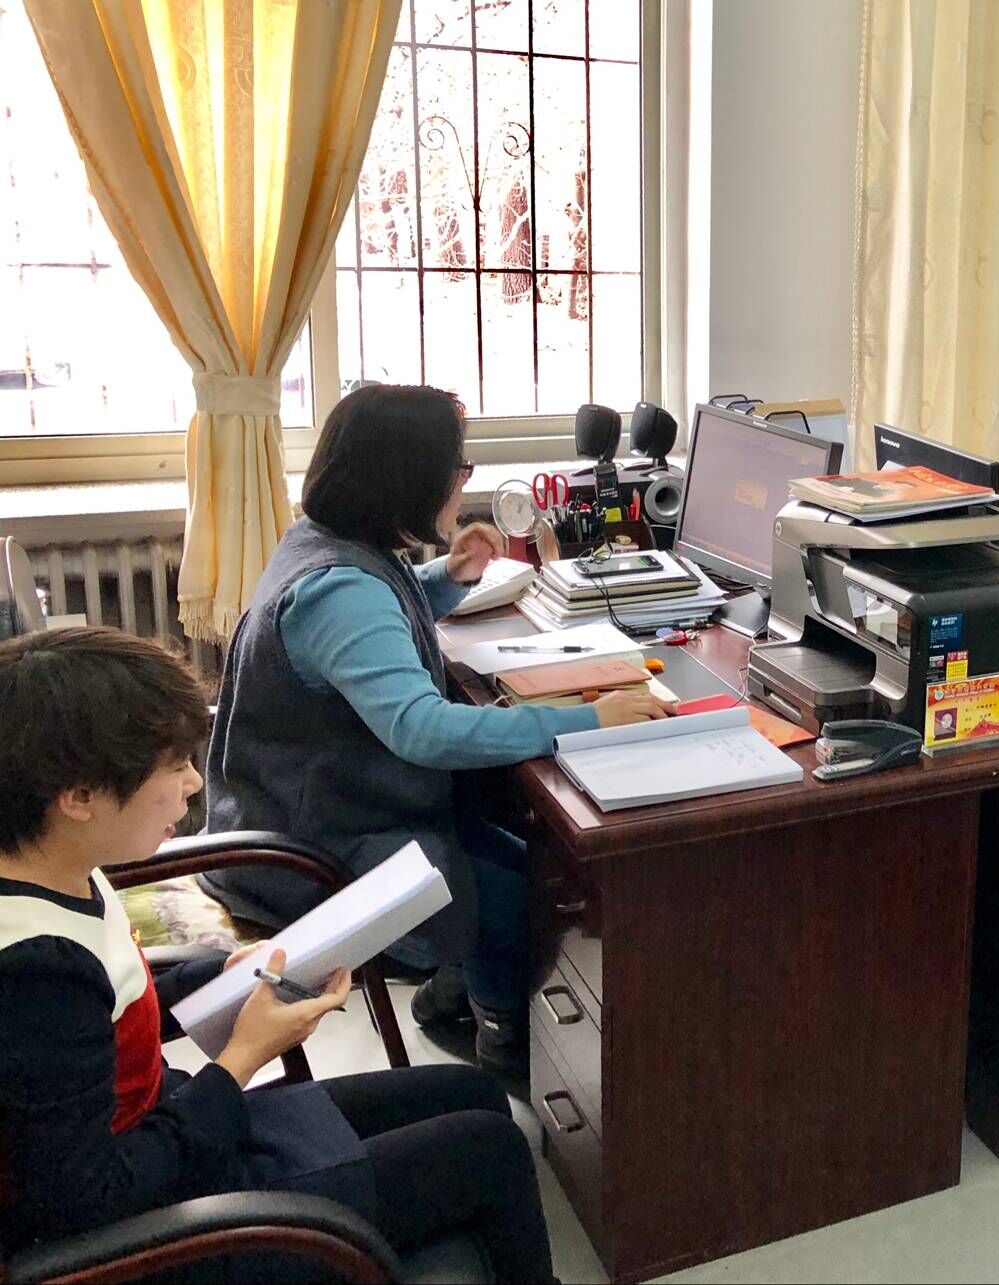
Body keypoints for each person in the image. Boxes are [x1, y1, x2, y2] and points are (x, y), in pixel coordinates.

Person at [0, 628, 555, 1279]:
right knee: (491, 1150)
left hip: (170, 1133)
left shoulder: (59, 864)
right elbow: (90, 1202)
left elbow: (111, 1001)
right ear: (79, 797)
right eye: (171, 766)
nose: (192, 782)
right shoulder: (35, 974)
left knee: (474, 1092)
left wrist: (223, 973)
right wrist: (242, 1059)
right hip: (156, 1232)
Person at [199, 385, 673, 1074]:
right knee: (528, 895)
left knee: (526, 854)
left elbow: (379, 620)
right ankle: (501, 1038)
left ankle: (456, 992)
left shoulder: (327, 541)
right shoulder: (339, 589)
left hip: (325, 808)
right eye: (459, 468)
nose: (463, 481)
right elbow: (421, 729)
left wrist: (446, 577)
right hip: (312, 846)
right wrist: (587, 720)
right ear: (410, 480)